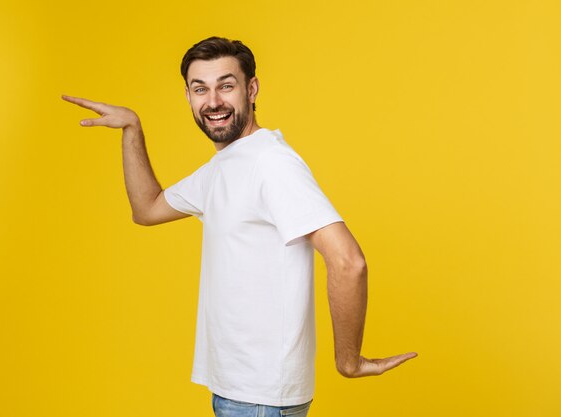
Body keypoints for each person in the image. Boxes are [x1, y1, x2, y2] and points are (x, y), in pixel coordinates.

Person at [63, 36, 417, 417]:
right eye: (201, 89)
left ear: (251, 89)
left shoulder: (271, 164)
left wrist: (349, 360)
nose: (213, 101)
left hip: (260, 397)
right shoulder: (226, 166)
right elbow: (147, 209)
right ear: (188, 96)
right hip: (237, 391)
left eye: (226, 86)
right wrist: (132, 128)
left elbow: (348, 261)